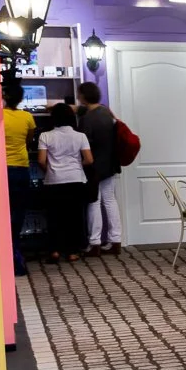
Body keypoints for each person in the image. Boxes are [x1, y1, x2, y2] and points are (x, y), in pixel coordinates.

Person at [35, 103, 93, 263]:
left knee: (54, 217)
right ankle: (72, 252)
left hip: (53, 181)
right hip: (75, 180)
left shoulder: (45, 136)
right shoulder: (80, 136)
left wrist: (51, 170)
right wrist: (75, 167)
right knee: (74, 217)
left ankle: (54, 250)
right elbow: (89, 159)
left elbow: (40, 160)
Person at [77, 81, 122, 254]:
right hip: (110, 163)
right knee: (110, 201)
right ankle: (115, 240)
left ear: (83, 96)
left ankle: (94, 242)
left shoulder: (87, 119)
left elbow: (83, 144)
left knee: (93, 202)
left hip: (93, 165)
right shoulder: (106, 112)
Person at [2, 78, 37, 277]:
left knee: (2, 214)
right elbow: (29, 139)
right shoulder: (27, 117)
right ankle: (16, 253)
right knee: (18, 214)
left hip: (2, 168)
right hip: (21, 167)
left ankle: (8, 255)